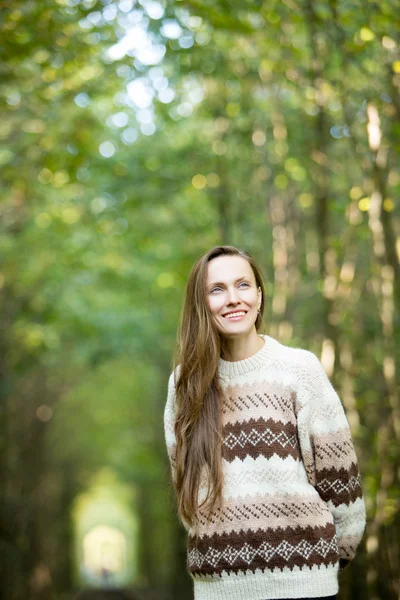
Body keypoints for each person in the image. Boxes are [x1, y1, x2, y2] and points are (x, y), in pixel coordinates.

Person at [163, 245, 366, 600]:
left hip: (304, 581)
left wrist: (333, 555)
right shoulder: (185, 384)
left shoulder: (299, 370)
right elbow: (186, 486)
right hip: (219, 587)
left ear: (258, 295)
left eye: (243, 285)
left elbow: (339, 478)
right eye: (217, 289)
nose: (232, 299)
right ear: (201, 303)